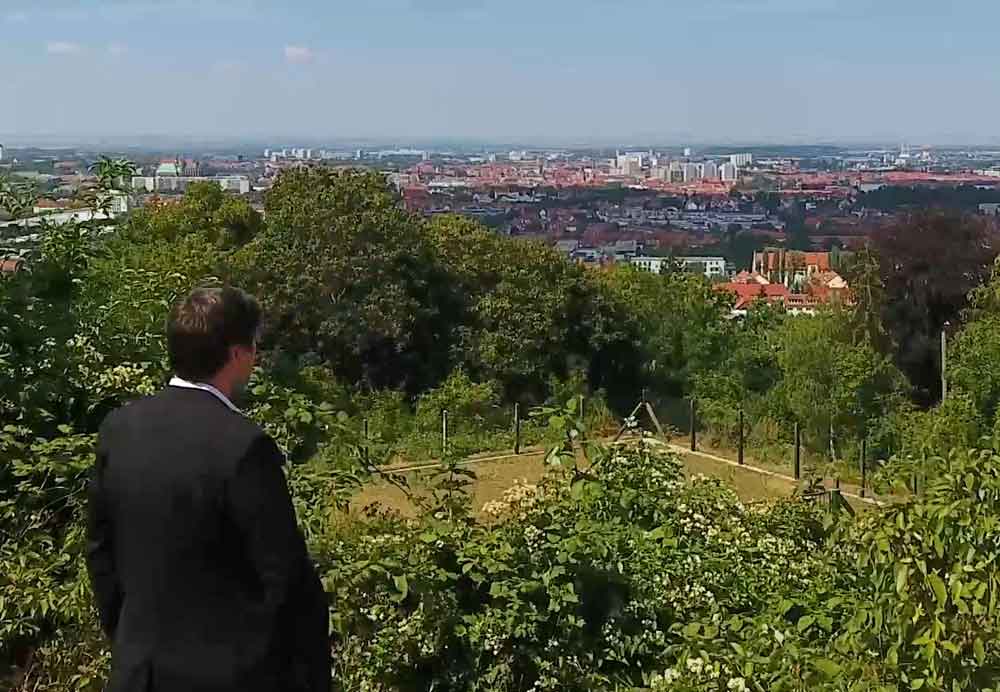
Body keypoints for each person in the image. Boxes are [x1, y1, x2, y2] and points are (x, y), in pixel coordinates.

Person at [87, 286, 330, 692]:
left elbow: (100, 553)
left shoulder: (119, 429)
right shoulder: (243, 445)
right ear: (238, 353)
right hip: (228, 676)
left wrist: (129, 640)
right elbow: (283, 579)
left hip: (139, 672)